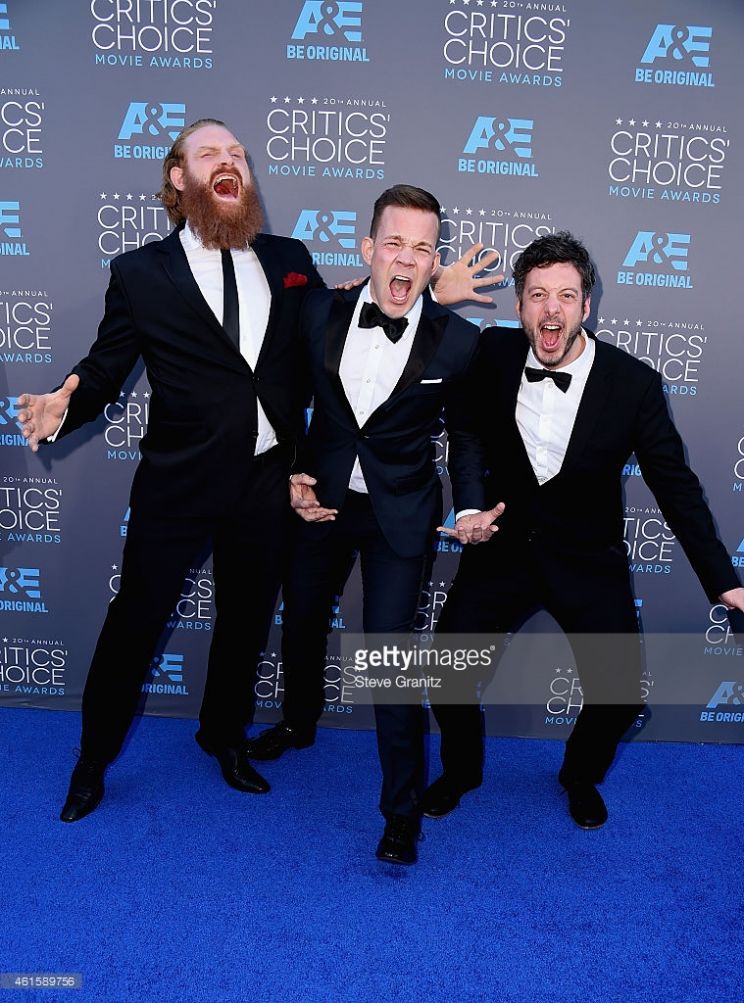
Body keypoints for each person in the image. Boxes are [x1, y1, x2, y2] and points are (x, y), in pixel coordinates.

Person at [17, 120, 496, 824]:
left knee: (244, 626)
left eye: (238, 154)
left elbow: (344, 316)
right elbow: (106, 365)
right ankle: (91, 761)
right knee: (134, 624)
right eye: (210, 152)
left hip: (267, 482)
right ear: (179, 177)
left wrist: (429, 288)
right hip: (178, 483)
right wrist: (68, 401)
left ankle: (223, 737)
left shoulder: (286, 259)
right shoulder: (141, 272)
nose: (230, 160)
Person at [423, 230, 744, 830]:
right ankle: (461, 772)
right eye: (537, 295)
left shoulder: (633, 384)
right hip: (502, 549)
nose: (551, 309)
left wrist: (724, 581)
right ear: (519, 305)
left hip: (587, 558)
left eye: (565, 296)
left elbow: (676, 487)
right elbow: (465, 434)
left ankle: (579, 774)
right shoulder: (491, 353)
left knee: (620, 696)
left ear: (586, 306)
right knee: (447, 677)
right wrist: (468, 510)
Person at [244, 184, 504, 865]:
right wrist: (293, 473)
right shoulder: (317, 312)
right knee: (302, 621)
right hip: (321, 502)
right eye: (394, 243)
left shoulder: (460, 342)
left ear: (434, 261)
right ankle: (299, 721)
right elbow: (279, 398)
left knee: (389, 660)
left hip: (400, 514)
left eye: (422, 248)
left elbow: (466, 437)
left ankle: (401, 813)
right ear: (368, 249)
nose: (406, 258)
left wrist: (469, 506)